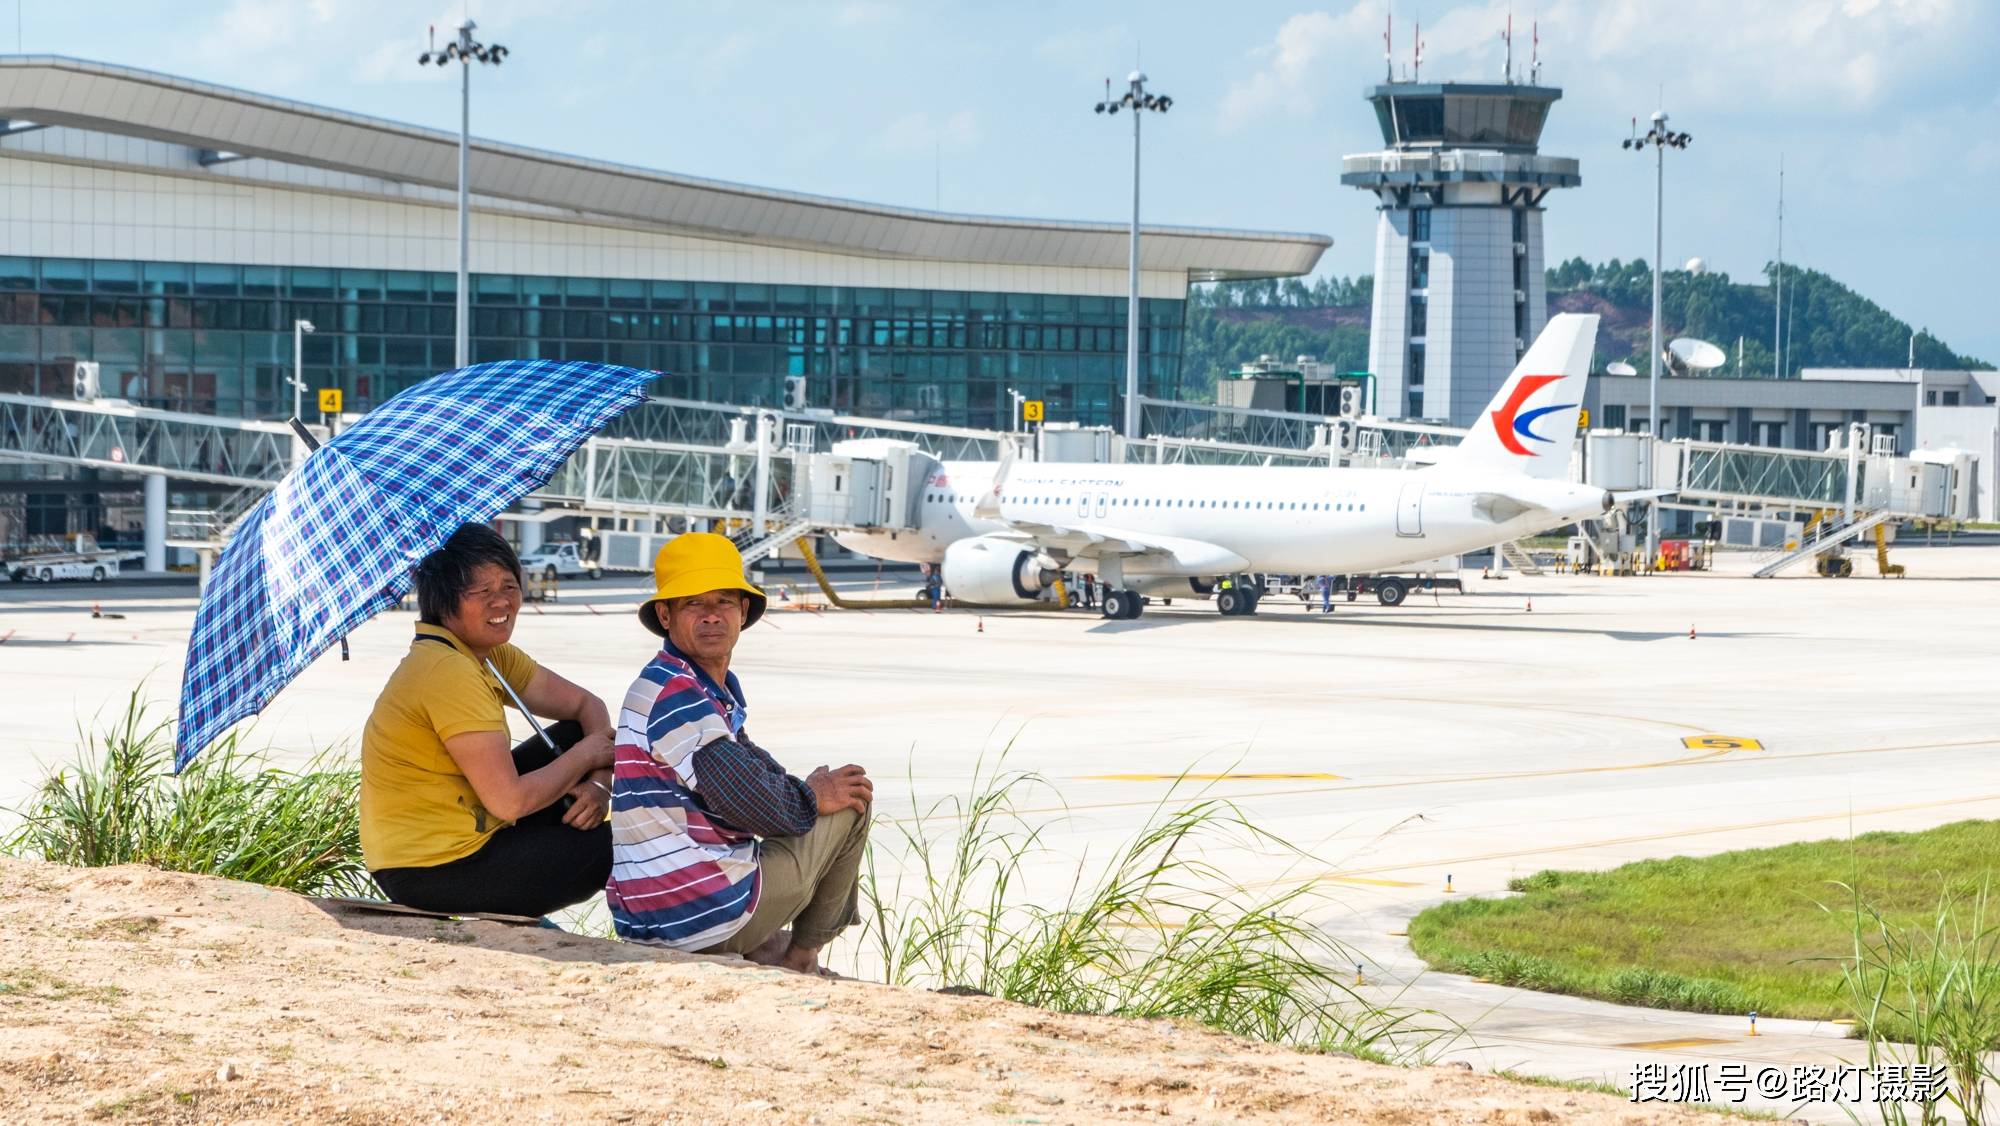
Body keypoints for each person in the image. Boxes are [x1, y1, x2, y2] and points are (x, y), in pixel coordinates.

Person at [607, 533, 873, 974]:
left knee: (813, 798)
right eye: (694, 604)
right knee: (853, 798)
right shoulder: (679, 695)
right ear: (665, 615)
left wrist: (795, 791)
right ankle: (802, 958)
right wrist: (812, 795)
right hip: (696, 917)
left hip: (655, 911)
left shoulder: (685, 683)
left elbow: (754, 768)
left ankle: (769, 941)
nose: (712, 616)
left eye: (724, 602)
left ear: (743, 612)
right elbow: (754, 804)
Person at [361, 523, 617, 918]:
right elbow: (509, 801)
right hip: (431, 868)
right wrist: (586, 757)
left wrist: (599, 784)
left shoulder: (484, 653)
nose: (501, 603)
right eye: (482, 592)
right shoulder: (448, 671)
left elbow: (587, 705)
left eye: (509, 586)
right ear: (445, 600)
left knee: (571, 734)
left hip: (468, 829)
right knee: (622, 844)